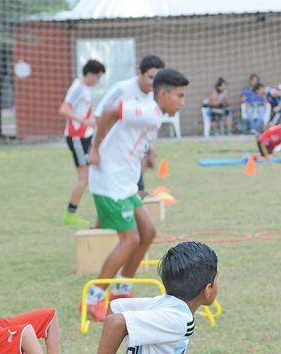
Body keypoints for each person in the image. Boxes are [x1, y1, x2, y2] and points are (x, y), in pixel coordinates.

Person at [86, 68, 189, 321]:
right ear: (163, 95)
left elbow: (135, 136)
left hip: (125, 184)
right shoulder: (147, 110)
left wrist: (149, 153)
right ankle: (94, 298)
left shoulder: (154, 115)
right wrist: (95, 149)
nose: (183, 102)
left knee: (148, 232)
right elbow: (109, 112)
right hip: (109, 182)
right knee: (129, 240)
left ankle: (121, 289)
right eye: (180, 96)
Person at [90, 242, 219, 354]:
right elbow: (114, 322)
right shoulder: (181, 320)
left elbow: (115, 307)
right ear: (207, 289)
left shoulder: (159, 303)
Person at [95, 55, 164, 205]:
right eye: (150, 77)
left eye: (157, 79)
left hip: (133, 151)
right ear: (139, 72)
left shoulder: (153, 94)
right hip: (114, 151)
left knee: (128, 192)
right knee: (121, 194)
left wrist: (150, 149)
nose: (154, 83)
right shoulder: (122, 89)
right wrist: (98, 148)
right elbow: (100, 115)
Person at [60, 59, 107, 226]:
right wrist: (84, 121)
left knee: (96, 172)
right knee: (83, 177)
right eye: (98, 77)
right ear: (91, 74)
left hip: (85, 136)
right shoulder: (78, 87)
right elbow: (64, 109)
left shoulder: (84, 88)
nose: (98, 81)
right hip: (76, 137)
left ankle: (104, 210)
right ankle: (70, 214)